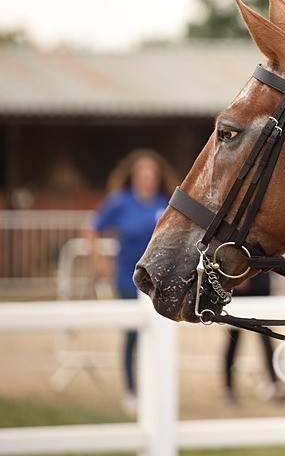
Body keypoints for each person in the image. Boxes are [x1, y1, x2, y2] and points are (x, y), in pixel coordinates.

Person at [86, 149, 175, 414]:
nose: (148, 178)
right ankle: (131, 390)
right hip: (127, 279)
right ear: (134, 177)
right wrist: (98, 260)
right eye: (143, 174)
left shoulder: (165, 203)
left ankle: (155, 388)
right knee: (133, 334)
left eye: (153, 174)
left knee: (159, 333)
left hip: (158, 282)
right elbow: (91, 227)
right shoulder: (119, 202)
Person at [221, 270, 285, 403]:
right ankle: (229, 388)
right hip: (243, 293)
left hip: (262, 290)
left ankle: (275, 385)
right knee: (233, 340)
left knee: (267, 340)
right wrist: (238, 279)